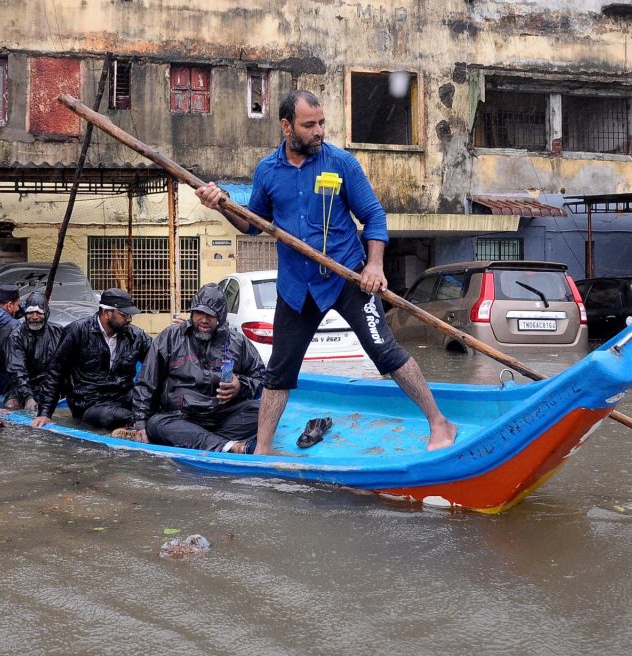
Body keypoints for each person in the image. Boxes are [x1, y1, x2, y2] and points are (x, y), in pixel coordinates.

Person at [196, 89, 457, 455]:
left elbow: (374, 217)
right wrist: (222, 203)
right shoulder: (268, 171)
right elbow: (252, 224)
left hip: (347, 277)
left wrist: (375, 265)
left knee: (386, 352)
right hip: (296, 288)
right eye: (309, 125)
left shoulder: (341, 163)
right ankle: (264, 450)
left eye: (321, 123)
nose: (318, 131)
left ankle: (440, 423)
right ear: (286, 126)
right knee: (279, 371)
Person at [125, 283, 265, 453]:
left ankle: (205, 441)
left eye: (210, 315)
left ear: (220, 317)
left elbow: (261, 378)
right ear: (192, 312)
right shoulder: (171, 337)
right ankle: (224, 445)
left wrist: (240, 386)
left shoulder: (238, 342)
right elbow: (147, 382)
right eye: (199, 313)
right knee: (156, 424)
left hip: (222, 415)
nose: (204, 320)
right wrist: (140, 422)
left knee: (263, 410)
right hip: (182, 416)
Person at [30, 288, 151, 430]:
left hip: (123, 397)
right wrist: (45, 413)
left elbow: (158, 360)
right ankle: (140, 424)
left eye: (130, 315)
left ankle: (141, 423)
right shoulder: (77, 331)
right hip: (88, 402)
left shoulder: (136, 335)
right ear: (106, 313)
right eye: (124, 315)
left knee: (155, 406)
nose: (129, 320)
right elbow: (56, 371)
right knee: (110, 417)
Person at [4, 291, 63, 413]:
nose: (34, 317)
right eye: (30, 312)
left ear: (46, 313)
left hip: (50, 384)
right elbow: (16, 370)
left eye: (39, 313)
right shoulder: (16, 336)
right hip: (23, 385)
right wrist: (28, 397)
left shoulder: (58, 332)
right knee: (12, 405)